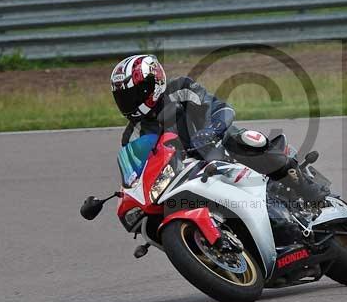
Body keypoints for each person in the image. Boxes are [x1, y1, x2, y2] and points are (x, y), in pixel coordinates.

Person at [111, 54, 328, 202]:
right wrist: (129, 192)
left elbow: (221, 108)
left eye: (133, 94)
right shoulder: (132, 136)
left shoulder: (180, 89)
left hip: (218, 148)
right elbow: (137, 174)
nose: (128, 102)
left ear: (154, 84)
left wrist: (211, 130)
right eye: (122, 97)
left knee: (246, 139)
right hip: (184, 176)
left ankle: (303, 185)